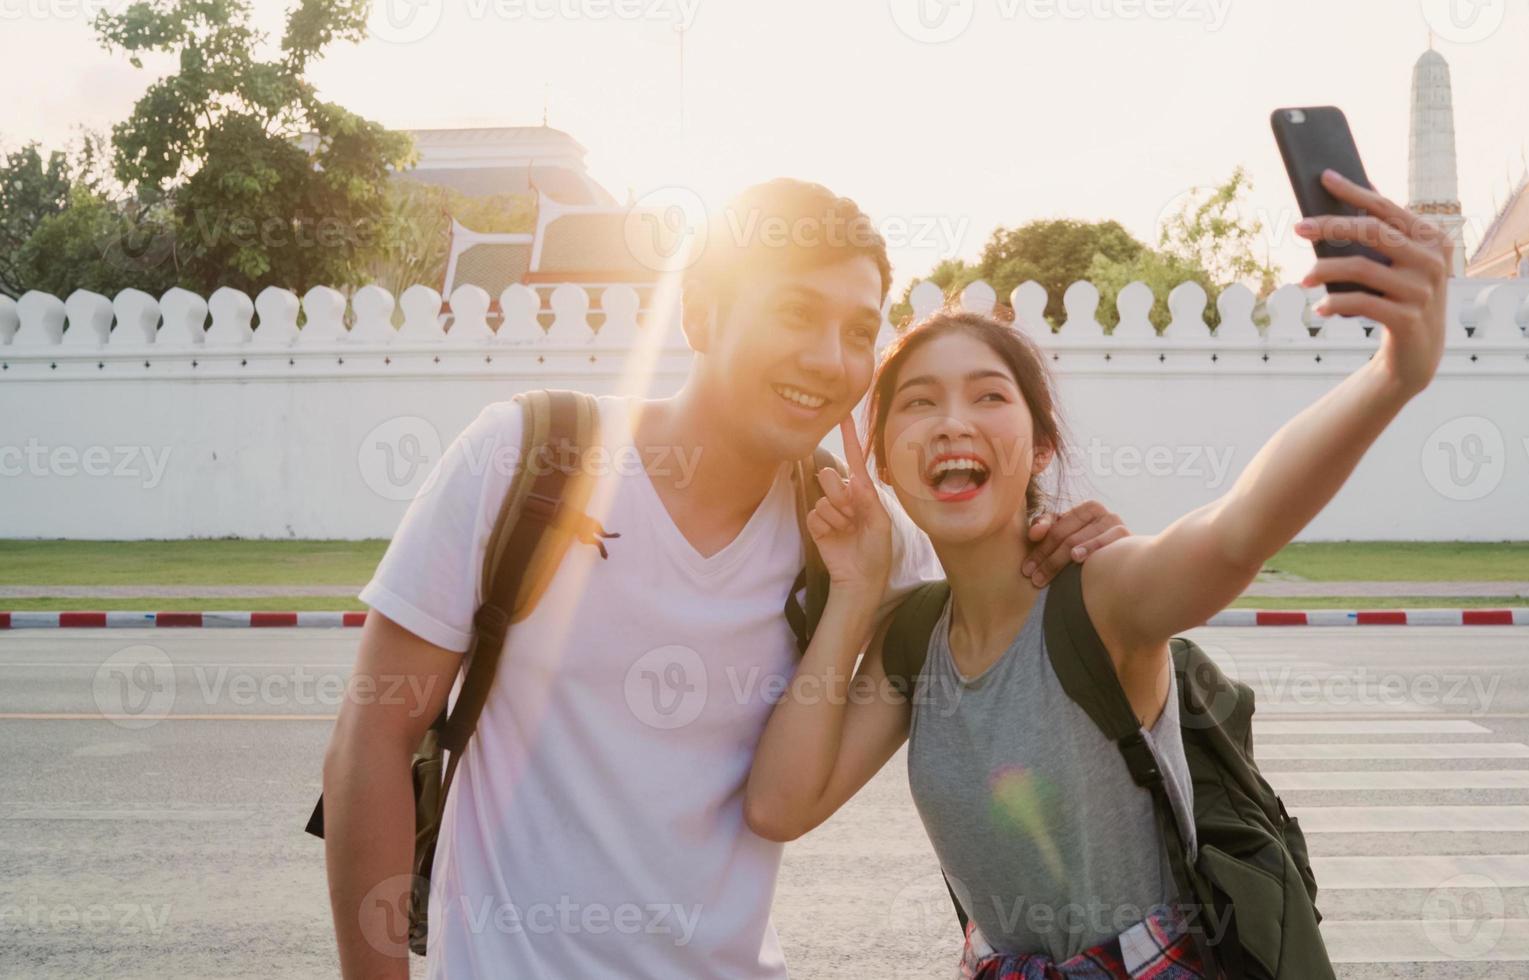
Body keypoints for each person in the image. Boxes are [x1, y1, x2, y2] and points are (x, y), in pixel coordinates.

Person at [319, 178, 1130, 979]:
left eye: (857, 331)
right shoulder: (528, 460)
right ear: (701, 313)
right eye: (795, 314)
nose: (830, 359)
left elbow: (1008, 609)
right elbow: (375, 739)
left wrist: (1072, 541)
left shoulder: (858, 544)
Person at [744, 169, 1451, 977]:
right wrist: (857, 591)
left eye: (988, 397)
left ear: (1040, 446)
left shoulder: (1100, 595)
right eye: (917, 403)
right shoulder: (913, 641)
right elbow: (780, 804)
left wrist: (1391, 376)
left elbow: (1233, 533)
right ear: (881, 459)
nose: (951, 424)